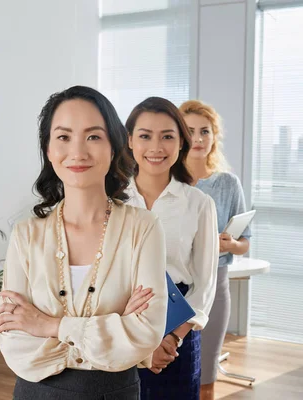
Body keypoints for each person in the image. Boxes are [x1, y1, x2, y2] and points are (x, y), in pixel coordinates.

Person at [0, 86, 168, 400]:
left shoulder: (143, 227)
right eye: (63, 137)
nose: (78, 152)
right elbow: (14, 342)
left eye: (93, 136)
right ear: (48, 149)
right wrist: (113, 328)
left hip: (114, 392)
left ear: (113, 147)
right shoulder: (26, 234)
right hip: (36, 393)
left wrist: (49, 325)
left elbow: (146, 333)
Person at [124, 96, 219, 400]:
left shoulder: (199, 204)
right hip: (122, 326)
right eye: (145, 136)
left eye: (167, 136)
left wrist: (171, 339)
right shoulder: (111, 201)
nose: (156, 147)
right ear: (129, 141)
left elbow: (205, 284)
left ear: (181, 143)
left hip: (178, 333)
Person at [180, 99, 251, 400]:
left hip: (215, 286)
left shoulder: (227, 184)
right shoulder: (165, 181)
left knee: (206, 373)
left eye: (205, 131)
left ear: (214, 136)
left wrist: (231, 244)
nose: (197, 139)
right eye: (189, 131)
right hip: (171, 286)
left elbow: (245, 242)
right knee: (167, 372)